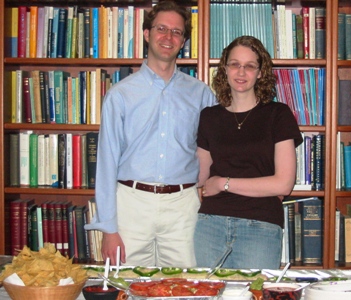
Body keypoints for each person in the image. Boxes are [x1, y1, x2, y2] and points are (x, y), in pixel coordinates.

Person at [85, 1, 216, 267]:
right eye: (161, 29)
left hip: (183, 207)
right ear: (147, 34)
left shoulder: (202, 94)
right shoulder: (120, 94)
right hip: (132, 205)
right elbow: (107, 165)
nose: (168, 37)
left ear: (183, 40)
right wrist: (109, 230)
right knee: (130, 286)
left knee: (185, 287)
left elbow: (215, 150)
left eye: (177, 32)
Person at [194, 36, 303, 270]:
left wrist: (223, 183)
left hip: (260, 226)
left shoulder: (278, 114)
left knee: (254, 294)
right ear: (224, 69)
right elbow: (200, 179)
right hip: (210, 224)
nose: (241, 72)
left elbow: (283, 184)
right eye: (234, 64)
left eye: (250, 66)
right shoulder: (209, 117)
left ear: (260, 72)